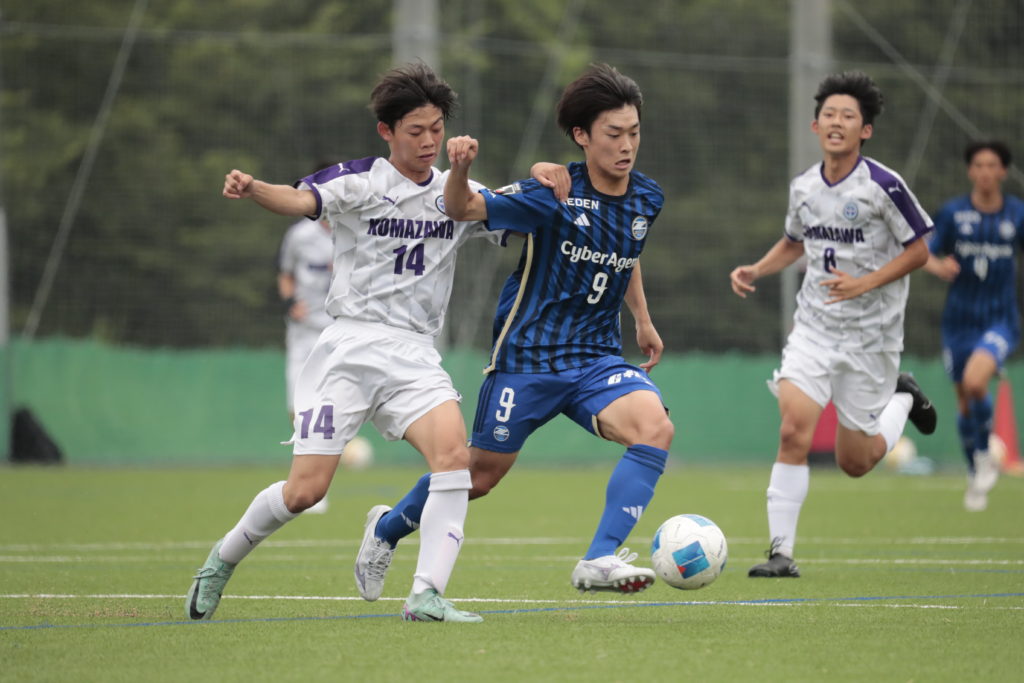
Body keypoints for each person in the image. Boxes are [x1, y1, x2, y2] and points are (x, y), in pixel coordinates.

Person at [185, 62, 546, 624]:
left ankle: (425, 593)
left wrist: (547, 176)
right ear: (386, 131)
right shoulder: (359, 181)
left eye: (436, 129)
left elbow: (522, 217)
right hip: (350, 349)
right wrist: (254, 188)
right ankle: (220, 561)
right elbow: (298, 200)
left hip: (415, 353)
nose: (429, 141)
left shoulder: (459, 190)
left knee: (454, 459)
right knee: (304, 492)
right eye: (415, 131)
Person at [353, 63, 674, 602]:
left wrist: (641, 318)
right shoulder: (550, 192)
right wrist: (460, 169)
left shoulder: (647, 197)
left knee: (655, 428)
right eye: (614, 134)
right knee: (476, 479)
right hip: (527, 360)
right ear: (582, 135)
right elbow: (460, 207)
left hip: (596, 359)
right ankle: (386, 528)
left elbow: (627, 252)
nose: (627, 146)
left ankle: (598, 558)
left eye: (634, 133)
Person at [729, 71, 938, 578]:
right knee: (793, 429)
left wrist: (866, 284)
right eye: (829, 115)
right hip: (814, 329)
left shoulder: (884, 185)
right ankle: (781, 554)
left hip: (872, 339)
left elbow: (920, 251)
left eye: (848, 116)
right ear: (815, 125)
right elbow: (795, 242)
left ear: (865, 130)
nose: (837, 122)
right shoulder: (804, 186)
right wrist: (757, 268)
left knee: (855, 462)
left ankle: (903, 396)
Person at [923, 140, 1024, 511]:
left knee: (975, 382)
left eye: (992, 165)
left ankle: (984, 453)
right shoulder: (953, 213)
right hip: (958, 322)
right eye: (978, 165)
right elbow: (922, 254)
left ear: (1003, 171)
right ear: (970, 171)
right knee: (965, 402)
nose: (985, 172)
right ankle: (975, 468)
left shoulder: (1017, 214)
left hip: (1000, 319)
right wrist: (939, 266)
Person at [277, 206, 334, 514]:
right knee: (298, 406)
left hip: (340, 332)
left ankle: (317, 482)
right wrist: (289, 302)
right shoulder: (299, 235)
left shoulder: (357, 227)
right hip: (303, 332)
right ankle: (307, 481)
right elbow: (285, 274)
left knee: (330, 405)